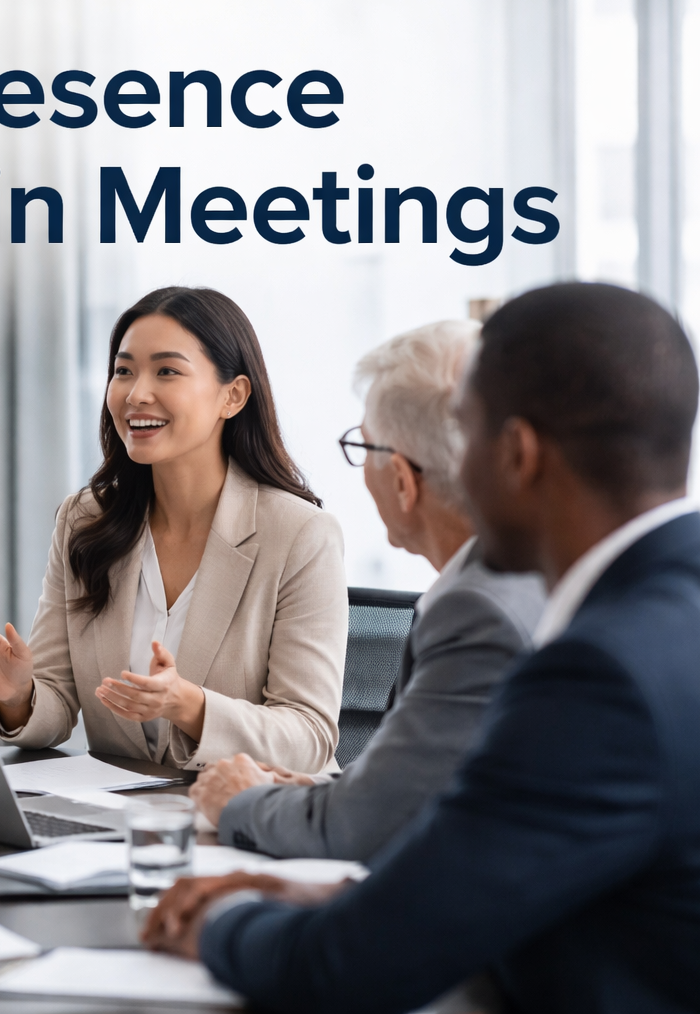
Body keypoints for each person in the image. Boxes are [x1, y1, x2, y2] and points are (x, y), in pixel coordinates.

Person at [143, 282, 700, 1013]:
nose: (452, 470)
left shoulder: (596, 677)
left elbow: (344, 968)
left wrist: (218, 918)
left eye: (465, 437)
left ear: (517, 455)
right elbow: (519, 871)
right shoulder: (666, 612)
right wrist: (321, 896)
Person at [0, 287, 346, 772]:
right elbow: (58, 706)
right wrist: (17, 694)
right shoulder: (85, 520)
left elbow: (309, 735)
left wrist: (188, 705)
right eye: (123, 371)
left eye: (167, 371)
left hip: (252, 820)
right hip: (123, 823)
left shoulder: (301, 535)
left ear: (232, 396)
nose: (135, 393)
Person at [191, 320, 545, 860]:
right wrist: (318, 794)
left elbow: (365, 830)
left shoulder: (479, 610)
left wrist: (243, 802)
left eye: (362, 445)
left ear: (403, 481)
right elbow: (424, 793)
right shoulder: (522, 580)